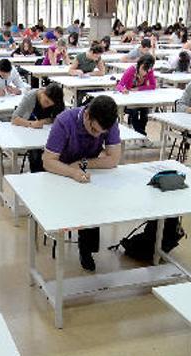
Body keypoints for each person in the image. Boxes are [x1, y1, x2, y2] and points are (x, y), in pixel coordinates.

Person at [43, 96, 122, 271]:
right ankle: (81, 246)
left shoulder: (107, 122)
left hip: (85, 172)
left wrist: (82, 164)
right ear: (86, 115)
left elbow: (114, 159)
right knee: (78, 205)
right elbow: (48, 162)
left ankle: (86, 249)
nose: (96, 135)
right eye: (94, 130)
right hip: (60, 174)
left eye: (101, 133)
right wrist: (72, 172)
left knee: (93, 201)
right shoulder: (64, 121)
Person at [11, 83, 66, 173]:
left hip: (47, 132)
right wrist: (31, 124)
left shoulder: (57, 101)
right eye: (46, 101)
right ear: (43, 92)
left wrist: (45, 121)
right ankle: (37, 174)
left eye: (50, 104)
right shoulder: (30, 96)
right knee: (35, 154)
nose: (47, 106)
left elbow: (61, 118)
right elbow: (14, 119)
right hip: (31, 131)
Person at [116, 55, 157, 135]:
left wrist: (139, 89)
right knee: (134, 112)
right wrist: (123, 89)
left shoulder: (149, 71)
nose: (144, 72)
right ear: (139, 64)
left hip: (141, 98)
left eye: (147, 70)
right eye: (143, 69)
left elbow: (153, 86)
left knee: (145, 113)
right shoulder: (131, 70)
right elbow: (119, 85)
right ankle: (141, 135)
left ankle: (140, 135)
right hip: (129, 100)